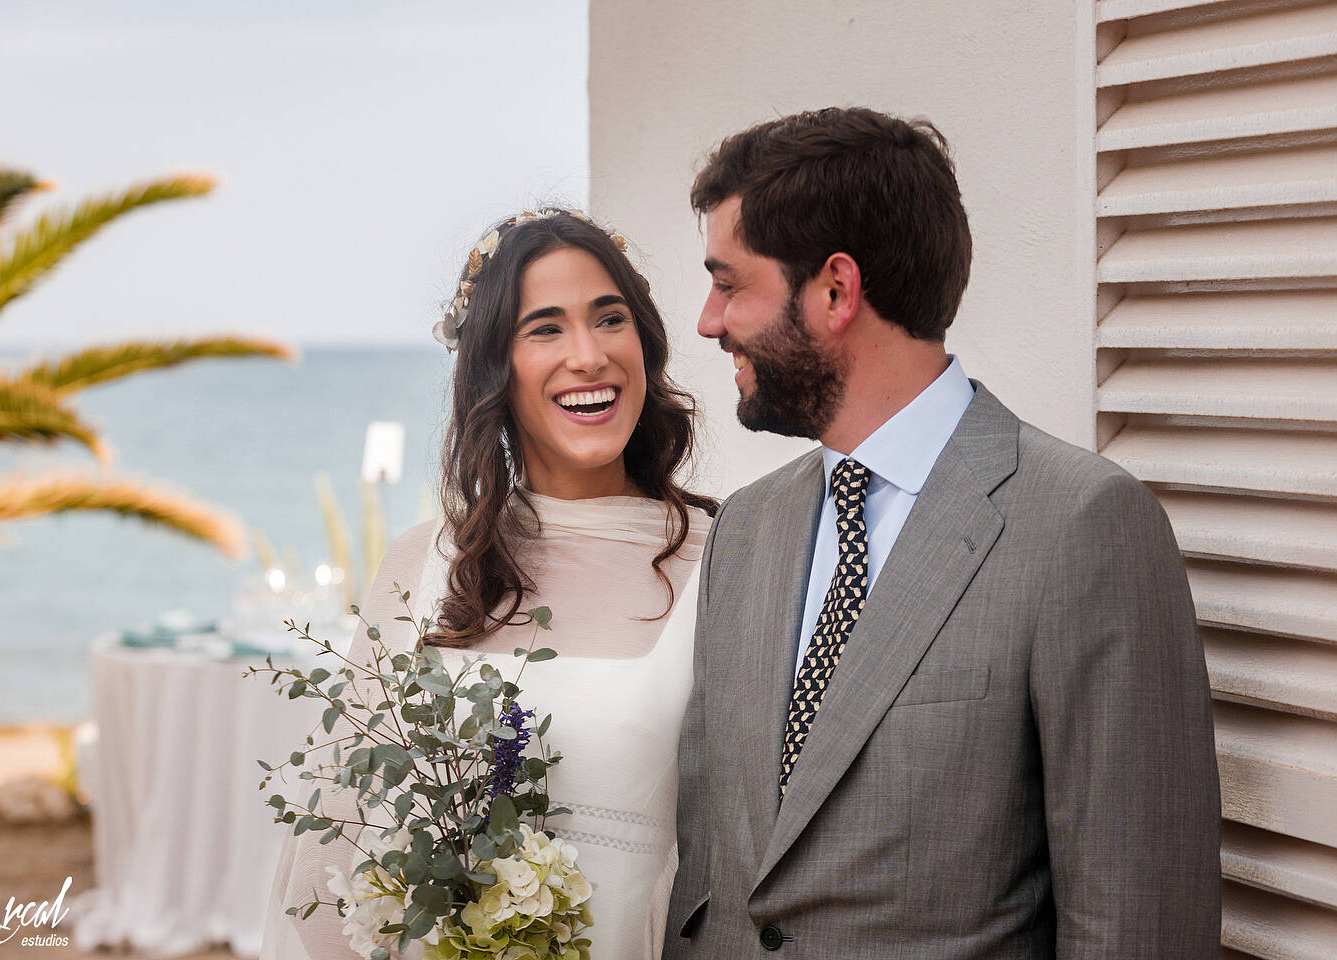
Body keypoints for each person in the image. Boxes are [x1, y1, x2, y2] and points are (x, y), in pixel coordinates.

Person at [665, 108, 1222, 958]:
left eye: (731, 283)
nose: (709, 321)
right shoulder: (746, 528)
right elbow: (710, 884)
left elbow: (1138, 921)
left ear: (836, 290)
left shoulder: (1083, 525)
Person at [262, 207, 716, 960]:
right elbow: (332, 848)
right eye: (545, 329)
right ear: (494, 369)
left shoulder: (727, 558)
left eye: (610, 319)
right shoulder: (424, 564)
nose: (589, 355)